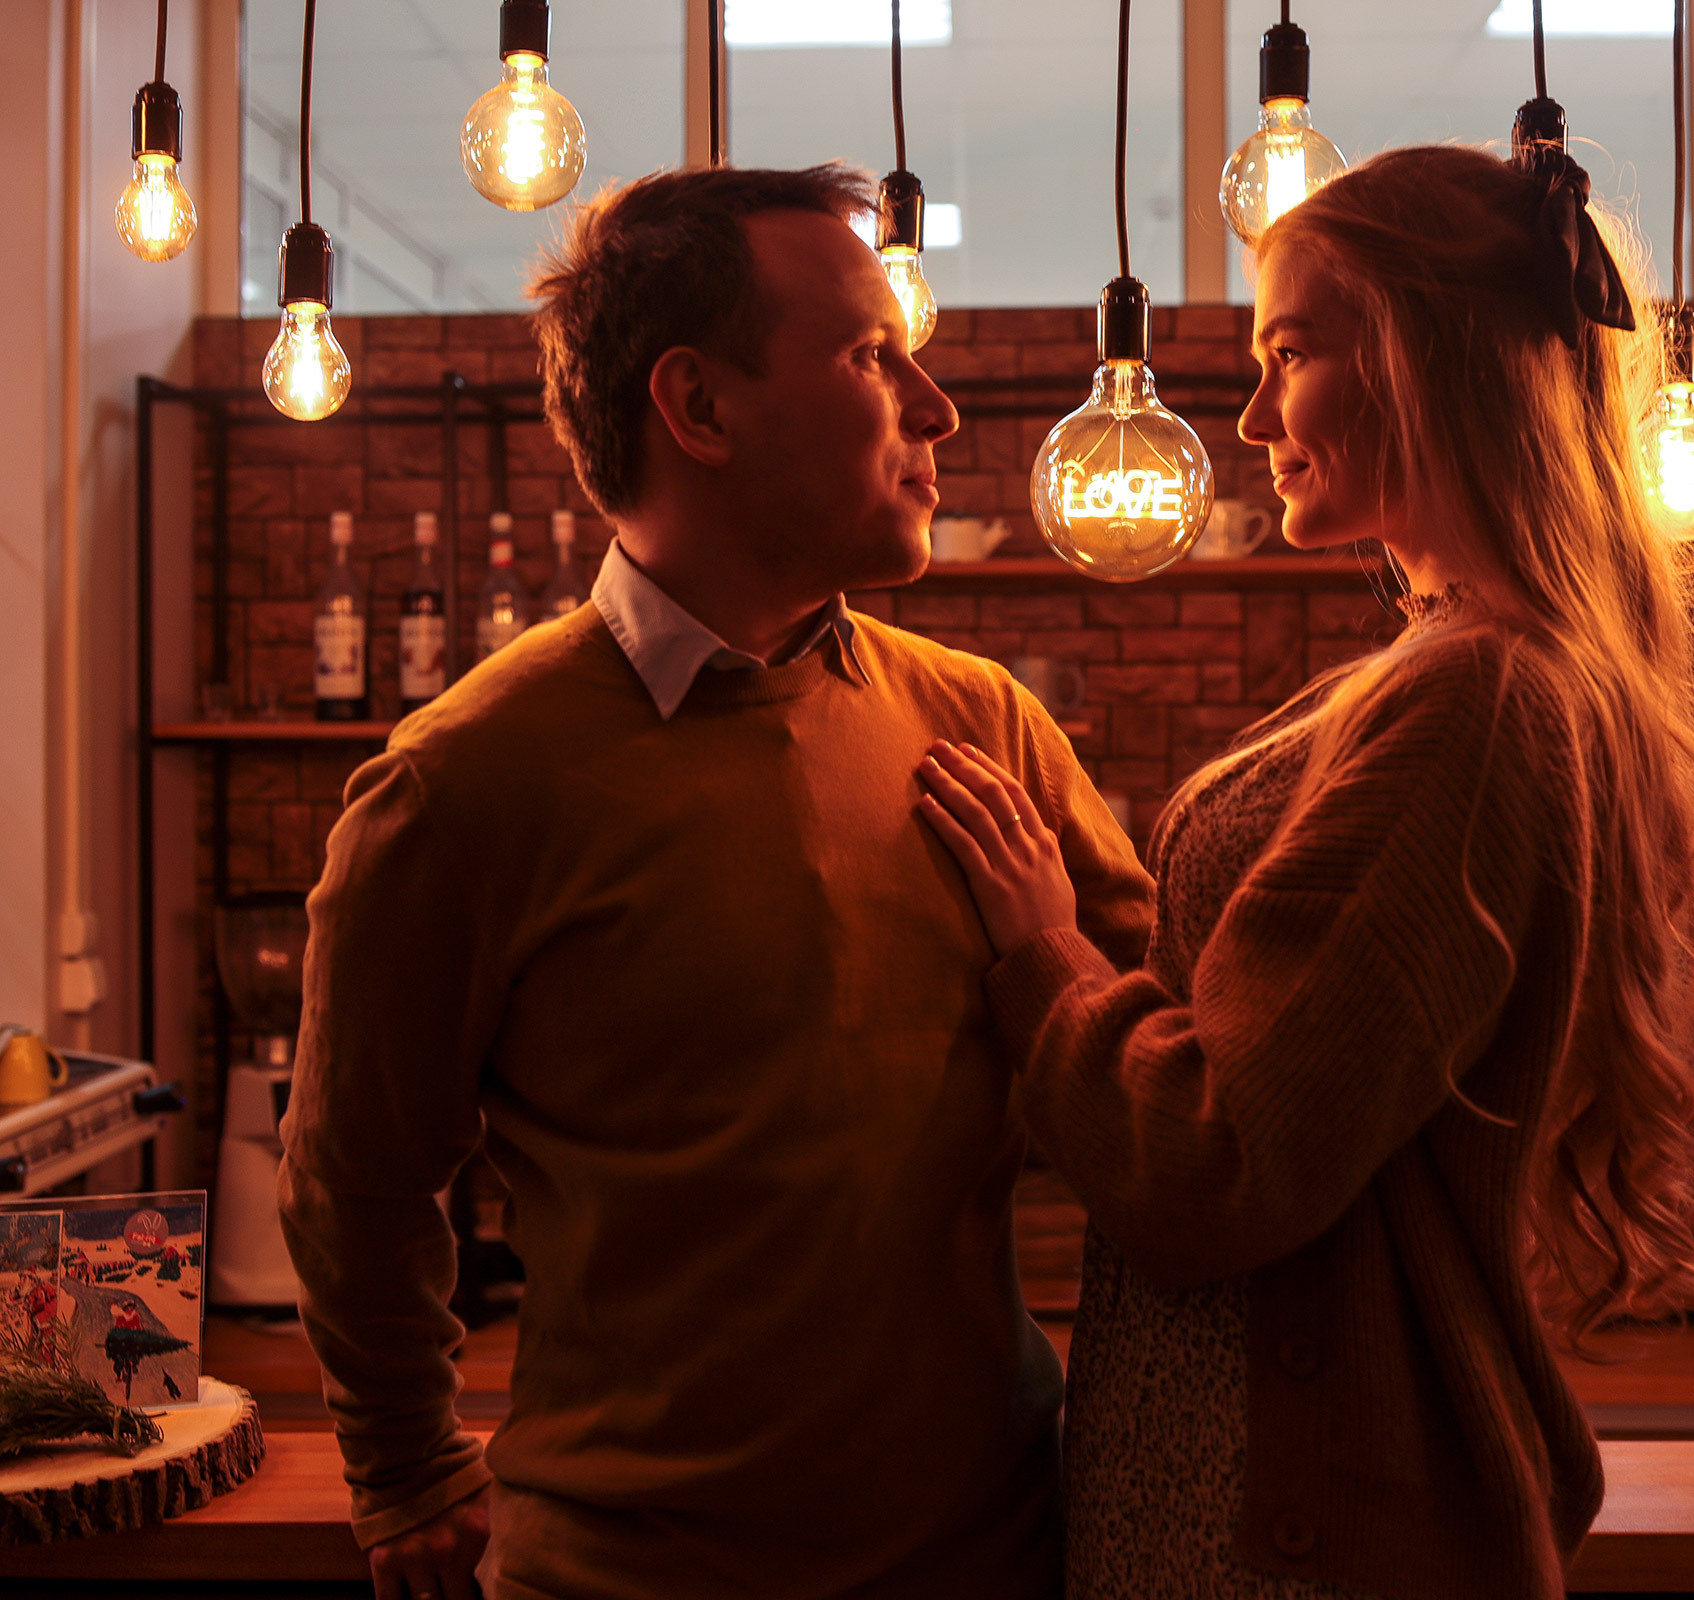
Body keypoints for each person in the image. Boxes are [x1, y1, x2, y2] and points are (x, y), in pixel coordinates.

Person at [279, 165, 1152, 1600]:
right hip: (618, 1578)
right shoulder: (461, 785)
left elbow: (1178, 1067)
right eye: (871, 356)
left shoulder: (985, 724)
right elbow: (353, 1177)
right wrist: (404, 1463)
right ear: (699, 406)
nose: (937, 409)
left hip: (990, 1563)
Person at [916, 143, 1694, 1600]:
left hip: (1291, 1528)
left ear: (1425, 358)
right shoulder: (1473, 669)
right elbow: (1288, 1019)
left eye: (1290, 354)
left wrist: (1043, 960)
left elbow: (1221, 1160)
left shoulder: (1475, 698)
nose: (1252, 416)